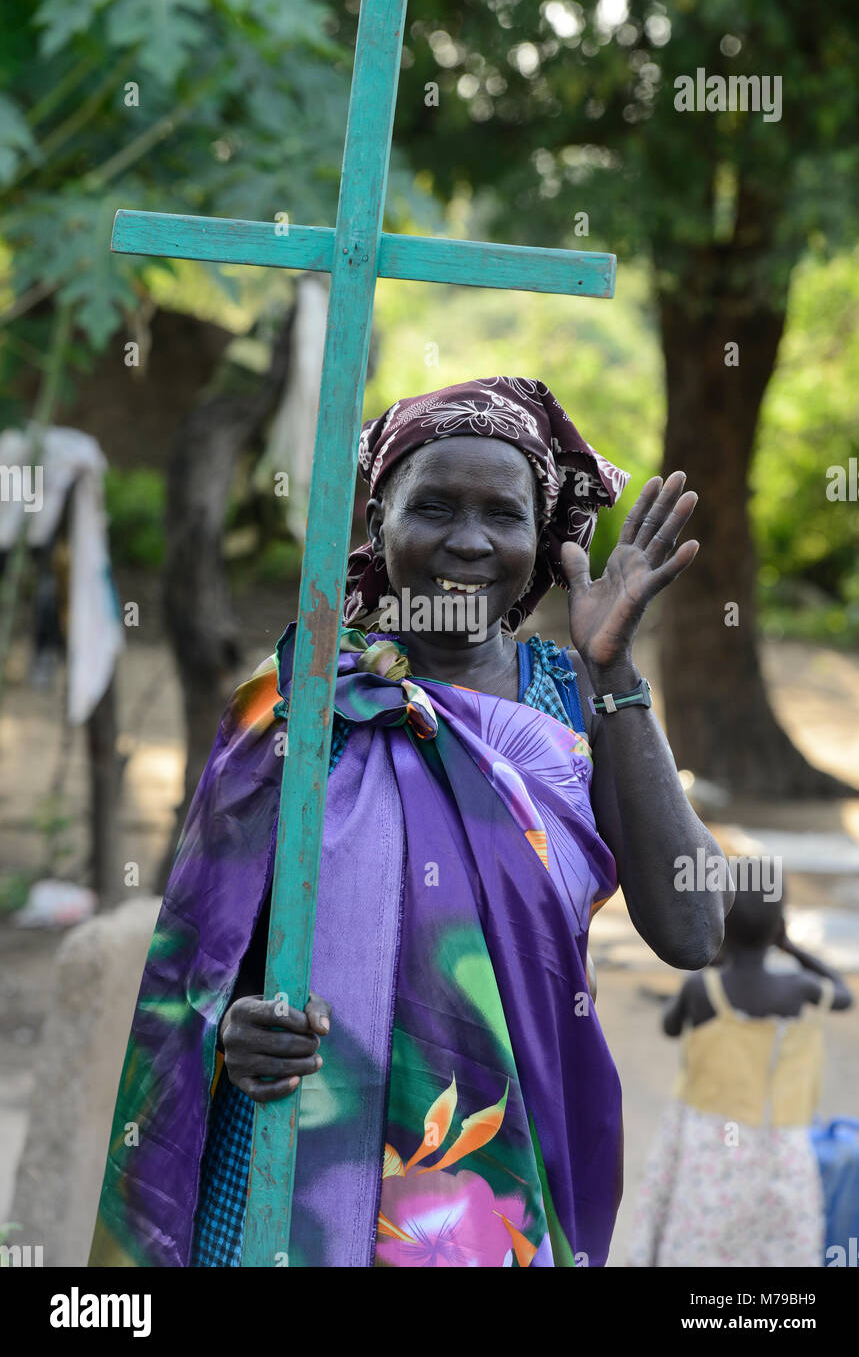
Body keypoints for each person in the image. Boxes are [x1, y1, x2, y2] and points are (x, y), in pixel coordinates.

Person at [89, 375, 732, 1269]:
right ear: (378, 523)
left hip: (483, 1189)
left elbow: (694, 929)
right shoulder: (298, 705)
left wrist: (616, 673)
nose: (468, 541)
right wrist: (237, 1026)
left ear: (538, 538)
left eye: (503, 515)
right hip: (294, 1171)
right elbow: (200, 966)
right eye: (432, 506)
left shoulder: (576, 702)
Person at [628, 878, 853, 1268]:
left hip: (708, 1144)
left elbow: (669, 1026)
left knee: (698, 1242)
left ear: (721, 924)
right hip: (781, 1146)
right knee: (775, 1248)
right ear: (778, 926)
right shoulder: (799, 989)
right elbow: (842, 993)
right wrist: (790, 946)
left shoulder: (703, 989)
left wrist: (717, 950)